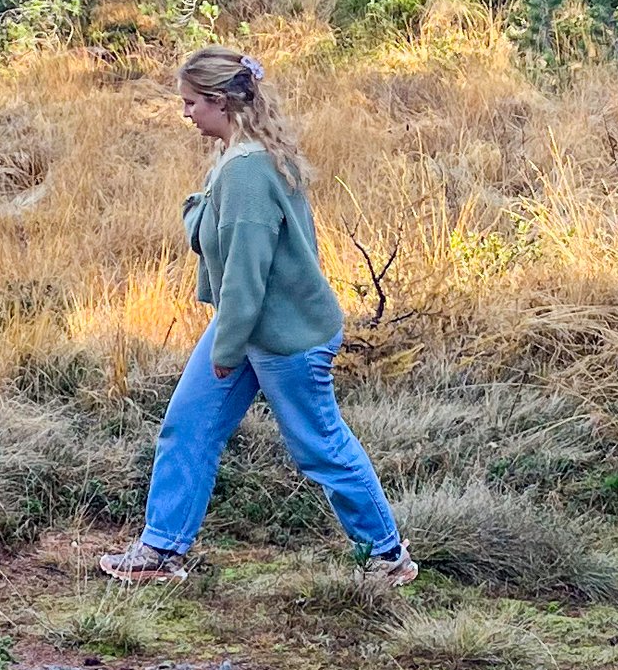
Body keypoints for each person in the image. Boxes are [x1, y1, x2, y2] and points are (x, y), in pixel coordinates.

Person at [98, 42, 416, 583]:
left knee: (320, 446)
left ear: (222, 101)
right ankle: (161, 551)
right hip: (248, 324)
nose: (186, 115)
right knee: (189, 425)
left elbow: (247, 275)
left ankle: (387, 557)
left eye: (192, 103)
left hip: (283, 335)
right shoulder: (244, 151)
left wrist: (225, 351)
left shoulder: (245, 170)